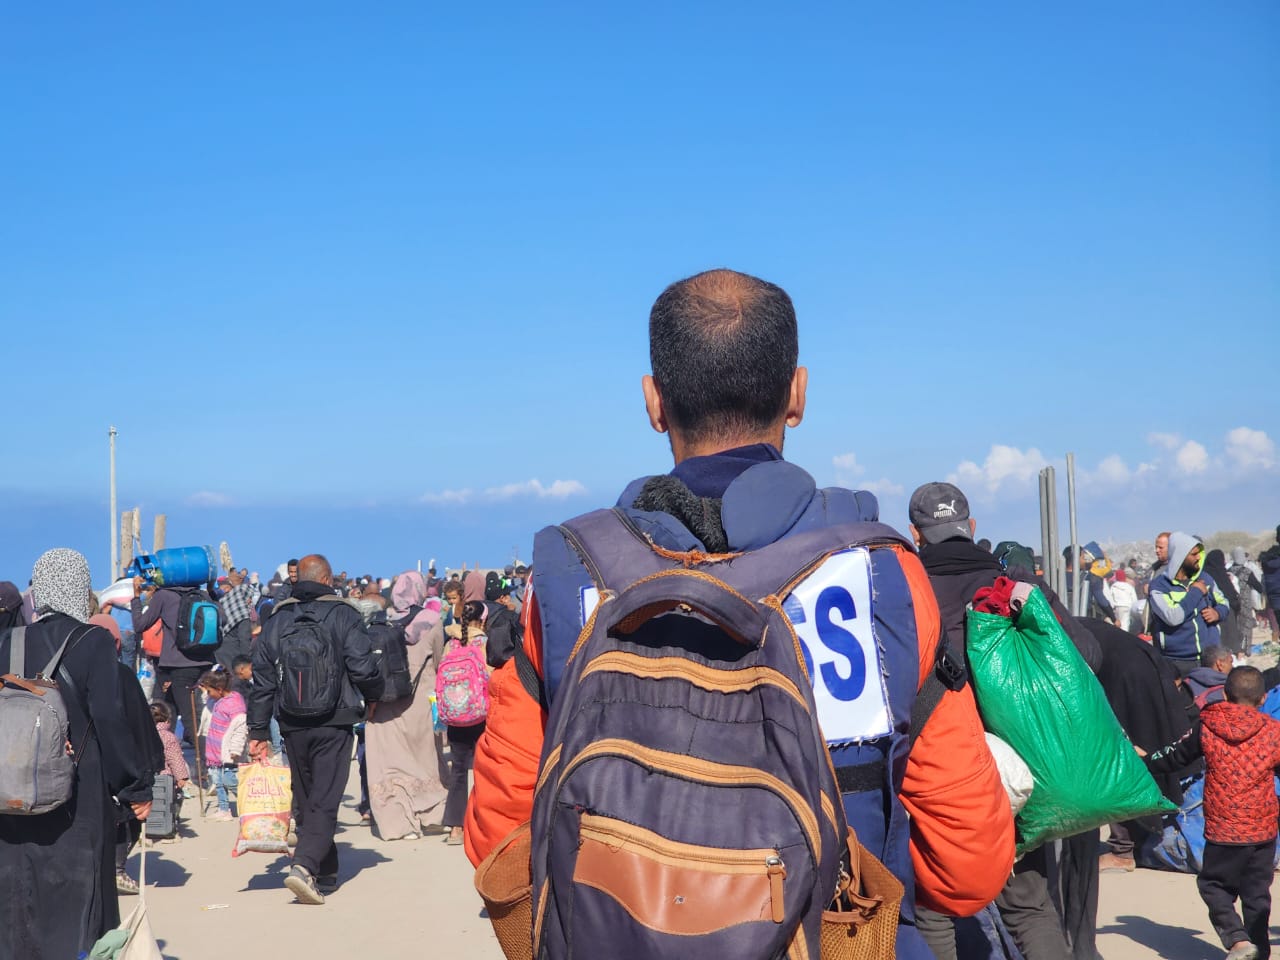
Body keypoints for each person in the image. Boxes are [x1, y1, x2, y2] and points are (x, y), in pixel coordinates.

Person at [465, 269, 1013, 959]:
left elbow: (499, 841)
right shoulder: (883, 574)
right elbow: (967, 867)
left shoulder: (571, 576)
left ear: (654, 402)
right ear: (797, 395)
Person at [905, 481, 1099, 960]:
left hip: (946, 771)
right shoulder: (1013, 583)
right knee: (1029, 905)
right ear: (971, 528)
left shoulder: (907, 591)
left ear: (916, 535)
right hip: (1021, 771)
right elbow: (1089, 656)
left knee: (934, 903)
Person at [0, 549, 154, 959]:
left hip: (8, 793)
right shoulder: (93, 641)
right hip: (77, 796)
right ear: (79, 586)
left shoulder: (7, 640)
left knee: (17, 897)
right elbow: (109, 716)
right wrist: (135, 785)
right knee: (76, 899)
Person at [247, 553, 383, 905]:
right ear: (327, 580)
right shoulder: (344, 614)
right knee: (324, 799)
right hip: (334, 719)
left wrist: (258, 731)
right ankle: (305, 867)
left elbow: (262, 679)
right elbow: (363, 667)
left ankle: (327, 869)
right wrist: (374, 697)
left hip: (291, 720)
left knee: (307, 797)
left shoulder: (277, 618)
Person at [1146, 666, 1280, 960]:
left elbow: (1174, 757)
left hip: (1224, 831)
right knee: (1257, 894)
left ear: (1224, 693)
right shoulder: (1274, 732)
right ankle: (1259, 952)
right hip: (1262, 831)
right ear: (1263, 699)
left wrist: (1146, 760)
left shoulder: (1207, 726)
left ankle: (1237, 940)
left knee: (1214, 885)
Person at [365, 571, 447, 841]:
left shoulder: (381, 620)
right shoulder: (432, 621)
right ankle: (432, 815)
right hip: (420, 699)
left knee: (389, 764)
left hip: (383, 702)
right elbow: (438, 659)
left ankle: (398, 825)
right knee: (425, 759)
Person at [129, 572, 217, 748]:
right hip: (204, 661)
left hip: (179, 664)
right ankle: (167, 756)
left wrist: (136, 597)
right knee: (171, 708)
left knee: (188, 716)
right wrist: (210, 591)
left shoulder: (163, 595)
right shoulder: (201, 594)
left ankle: (205, 768)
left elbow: (140, 625)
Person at [1149, 533, 1231, 677]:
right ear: (1180, 557)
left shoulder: (1206, 578)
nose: (1199, 558)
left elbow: (1224, 602)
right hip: (1178, 661)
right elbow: (1173, 616)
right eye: (1194, 554)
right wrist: (1196, 592)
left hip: (1210, 658)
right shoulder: (1159, 587)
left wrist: (1217, 613)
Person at [441, 600, 489, 846]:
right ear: (482, 620)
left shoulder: (451, 643)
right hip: (480, 715)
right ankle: (482, 823)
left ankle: (455, 828)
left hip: (455, 716)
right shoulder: (483, 643)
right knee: (483, 769)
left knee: (458, 771)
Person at [198, 668, 248, 822]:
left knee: (230, 780)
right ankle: (223, 809)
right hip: (214, 750)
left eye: (209, 690)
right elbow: (207, 703)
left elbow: (241, 729)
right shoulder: (217, 700)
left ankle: (247, 805)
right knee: (218, 782)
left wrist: (236, 749)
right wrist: (203, 691)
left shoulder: (234, 704)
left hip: (227, 752)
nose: (208, 693)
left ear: (219, 689)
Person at [216, 567, 257, 673]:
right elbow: (244, 638)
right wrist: (246, 662)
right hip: (233, 656)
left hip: (218, 652)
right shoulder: (241, 609)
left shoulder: (222, 603)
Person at [1107, 568, 1137, 633]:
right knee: (1125, 623)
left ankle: (1117, 637)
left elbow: (1110, 598)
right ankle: (1124, 638)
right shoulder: (1129, 586)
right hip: (1127, 607)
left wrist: (1112, 607)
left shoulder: (1113, 586)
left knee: (1117, 623)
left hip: (1116, 607)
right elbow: (1134, 599)